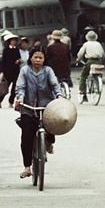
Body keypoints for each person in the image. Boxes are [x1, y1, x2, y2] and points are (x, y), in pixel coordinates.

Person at [14, 48, 63, 177]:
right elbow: (20, 87)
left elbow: (54, 84)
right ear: (31, 58)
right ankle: (27, 167)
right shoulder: (25, 70)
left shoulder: (48, 71)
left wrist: (58, 95)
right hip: (28, 108)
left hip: (46, 107)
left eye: (40, 58)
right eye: (35, 57)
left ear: (44, 59)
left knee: (53, 123)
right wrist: (20, 98)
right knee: (26, 137)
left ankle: (49, 142)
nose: (38, 60)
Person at [75, 30, 105, 102]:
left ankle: (82, 91)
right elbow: (103, 54)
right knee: (98, 73)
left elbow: (80, 54)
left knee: (83, 76)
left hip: (90, 61)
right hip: (99, 61)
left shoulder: (86, 44)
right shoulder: (98, 44)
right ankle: (98, 83)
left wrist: (78, 59)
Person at [0, 32, 21, 107]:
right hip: (7, 71)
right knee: (4, 88)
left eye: (15, 40)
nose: (14, 42)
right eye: (12, 40)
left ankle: (11, 102)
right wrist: (2, 72)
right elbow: (3, 61)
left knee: (14, 89)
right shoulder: (6, 50)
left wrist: (18, 61)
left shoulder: (16, 49)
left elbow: (18, 58)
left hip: (16, 71)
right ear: (9, 41)